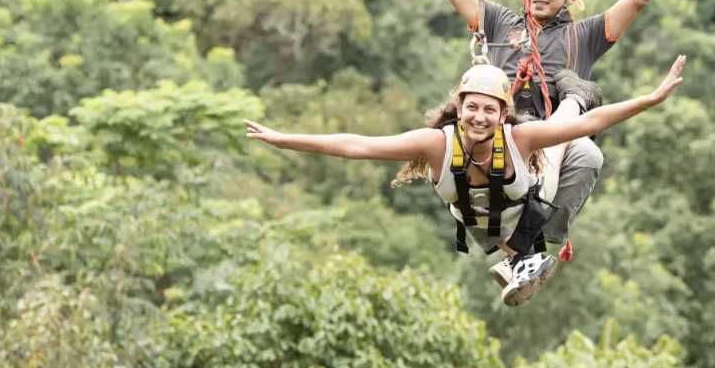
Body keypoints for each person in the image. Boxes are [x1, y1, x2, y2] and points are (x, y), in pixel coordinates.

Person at [391, 0, 702, 269]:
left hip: (548, 144)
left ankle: (533, 243)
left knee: (587, 152)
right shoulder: (501, 22)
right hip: (500, 140)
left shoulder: (584, 36)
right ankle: (515, 244)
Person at [245, 55, 686, 306]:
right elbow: (359, 145)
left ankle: (575, 95)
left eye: (489, 110)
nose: (479, 117)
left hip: (531, 205)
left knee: (570, 131)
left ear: (501, 113)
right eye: (472, 108)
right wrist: (286, 140)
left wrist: (650, 98)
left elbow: (600, 120)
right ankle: (520, 259)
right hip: (491, 231)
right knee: (561, 134)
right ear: (460, 108)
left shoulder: (518, 136)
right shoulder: (436, 144)